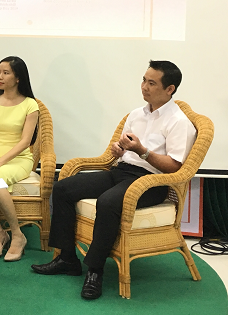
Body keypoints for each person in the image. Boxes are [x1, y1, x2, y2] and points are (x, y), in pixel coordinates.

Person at [32, 60, 196, 300]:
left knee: (108, 202)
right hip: (122, 171)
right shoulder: (136, 114)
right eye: (144, 80)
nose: (144, 87)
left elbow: (175, 166)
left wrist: (142, 151)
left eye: (152, 83)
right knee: (64, 188)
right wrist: (119, 150)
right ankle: (67, 258)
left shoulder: (179, 122)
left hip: (152, 183)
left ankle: (95, 271)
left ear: (169, 89)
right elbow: (122, 149)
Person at [0, 56, 39, 262]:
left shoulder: (30, 105)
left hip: (18, 159)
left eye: (6, 73)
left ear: (18, 78)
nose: (0, 77)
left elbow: (25, 142)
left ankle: (17, 235)